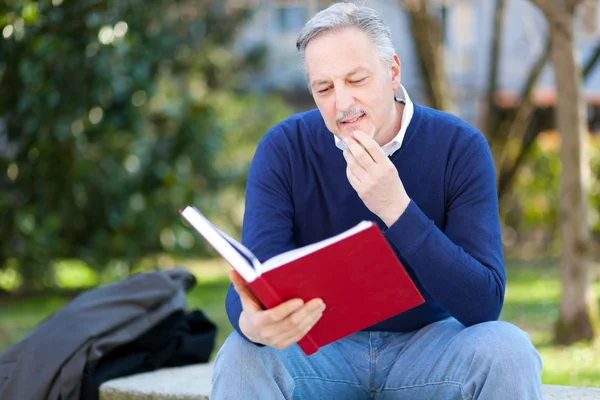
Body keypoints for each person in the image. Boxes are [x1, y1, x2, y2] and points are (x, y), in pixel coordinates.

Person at [210, 2, 543, 399]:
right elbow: (257, 273)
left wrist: (396, 208)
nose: (342, 103)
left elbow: (484, 303)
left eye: (357, 80)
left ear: (393, 71)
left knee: (508, 350)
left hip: (430, 351)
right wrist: (254, 324)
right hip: (320, 354)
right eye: (324, 88)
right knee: (239, 354)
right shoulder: (285, 148)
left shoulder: (459, 146)